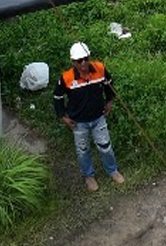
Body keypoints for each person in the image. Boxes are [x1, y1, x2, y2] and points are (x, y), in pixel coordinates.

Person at [52, 42, 125, 192]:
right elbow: (57, 97)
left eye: (85, 58)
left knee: (105, 146)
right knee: (83, 150)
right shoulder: (66, 78)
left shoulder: (100, 69)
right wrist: (63, 117)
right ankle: (89, 176)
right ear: (73, 62)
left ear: (89, 56)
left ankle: (112, 170)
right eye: (79, 61)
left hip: (98, 117)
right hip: (79, 122)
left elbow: (109, 85)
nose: (84, 63)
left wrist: (109, 101)